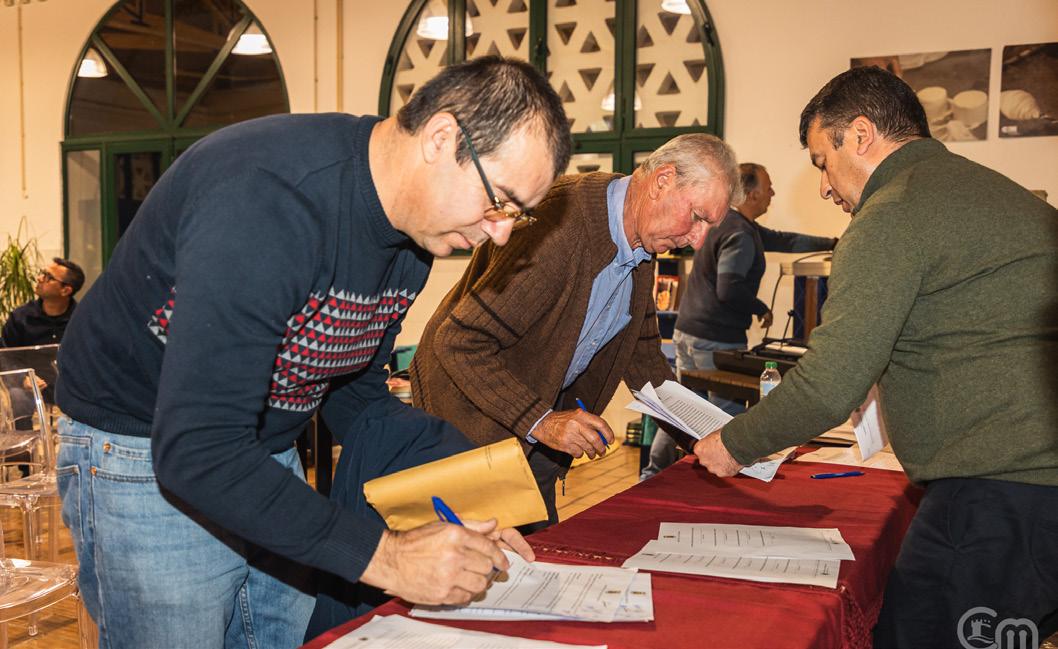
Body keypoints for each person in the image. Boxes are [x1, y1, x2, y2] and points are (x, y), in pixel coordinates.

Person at [55, 56, 571, 648]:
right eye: (499, 200)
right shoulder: (269, 198)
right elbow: (197, 447)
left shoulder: (413, 240)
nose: (498, 232)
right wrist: (388, 558)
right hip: (142, 453)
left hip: (261, 451)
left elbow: (357, 397)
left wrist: (466, 501)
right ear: (441, 137)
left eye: (516, 216)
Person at [692, 66, 1058, 648]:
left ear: (860, 136)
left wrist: (733, 444)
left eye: (822, 162)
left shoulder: (893, 212)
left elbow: (829, 384)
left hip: (999, 490)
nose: (824, 187)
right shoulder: (999, 195)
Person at [409, 133, 741, 529]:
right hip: (470, 430)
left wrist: (713, 437)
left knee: (538, 552)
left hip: (532, 436)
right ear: (663, 180)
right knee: (480, 558)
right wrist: (543, 421)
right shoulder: (559, 225)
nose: (698, 240)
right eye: (698, 217)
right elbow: (459, 342)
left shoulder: (642, 245)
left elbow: (645, 361)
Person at [640, 164, 836, 479]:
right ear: (753, 193)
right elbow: (729, 287)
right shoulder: (741, 233)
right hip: (715, 338)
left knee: (685, 412)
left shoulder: (731, 223)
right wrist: (760, 307)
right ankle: (718, 484)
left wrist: (834, 243)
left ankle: (652, 476)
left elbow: (785, 241)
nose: (772, 193)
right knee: (723, 417)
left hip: (688, 330)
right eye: (769, 187)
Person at [1, 257, 84, 347]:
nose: (39, 278)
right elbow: (6, 353)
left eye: (49, 277)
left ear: (65, 290)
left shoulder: (82, 320)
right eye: (43, 273)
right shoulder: (20, 318)